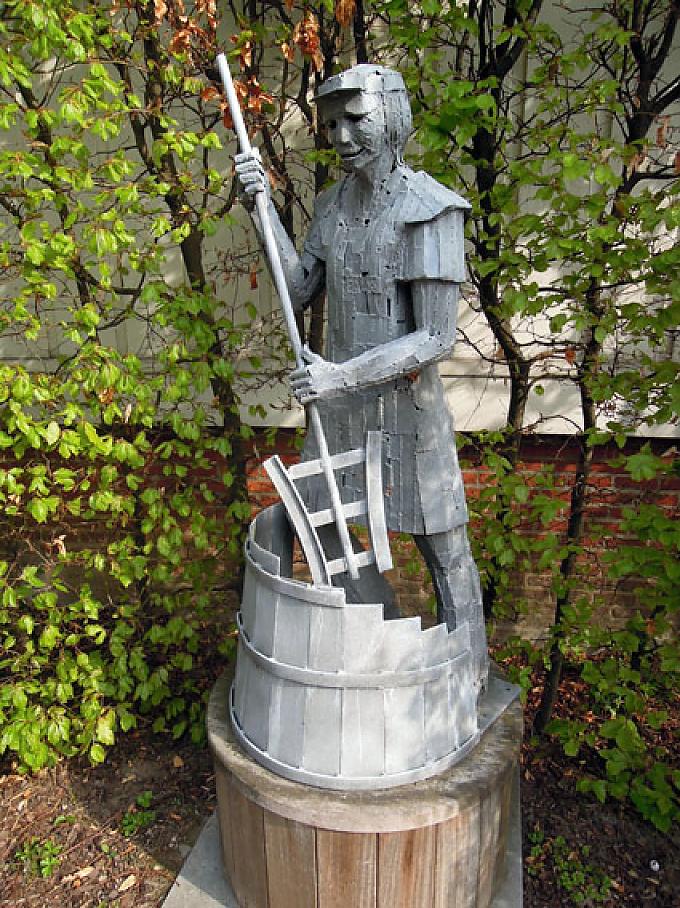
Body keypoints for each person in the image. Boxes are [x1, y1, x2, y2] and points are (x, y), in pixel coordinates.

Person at [236, 64, 488, 693]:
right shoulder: (331, 207)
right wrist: (261, 208)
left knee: (444, 550)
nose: (342, 135)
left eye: (357, 119)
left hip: (406, 415)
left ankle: (465, 677)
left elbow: (434, 337)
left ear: (392, 118)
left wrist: (339, 376)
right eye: (331, 123)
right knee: (325, 530)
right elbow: (296, 291)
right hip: (342, 410)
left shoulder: (431, 210)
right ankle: (383, 652)